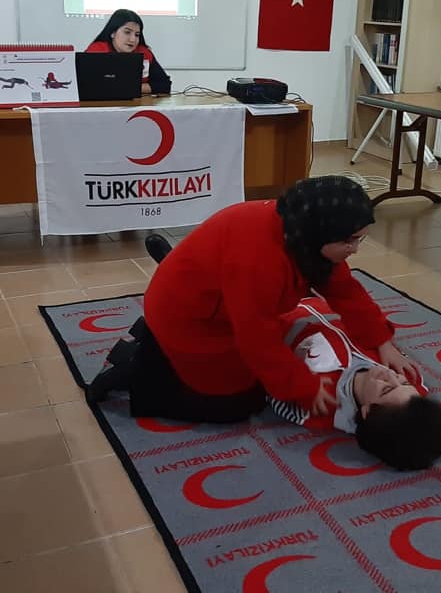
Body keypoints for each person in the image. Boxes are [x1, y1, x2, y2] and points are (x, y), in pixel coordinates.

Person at [88, 176, 421, 425]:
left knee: (259, 371)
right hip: (189, 315)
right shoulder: (258, 261)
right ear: (321, 234)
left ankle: (158, 315)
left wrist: (382, 340)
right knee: (236, 403)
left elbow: (345, 290)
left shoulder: (303, 230)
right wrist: (304, 388)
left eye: (361, 239)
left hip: (210, 294)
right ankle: (136, 372)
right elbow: (256, 339)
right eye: (349, 241)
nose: (355, 249)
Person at [270, 296, 441, 471]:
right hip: (326, 299)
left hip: (275, 311)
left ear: (367, 411)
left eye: (386, 388)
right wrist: (385, 344)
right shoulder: (408, 376)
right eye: (403, 382)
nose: (390, 375)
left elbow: (272, 387)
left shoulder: (320, 405)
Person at [85, 9, 172, 95]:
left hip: (135, 103)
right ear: (113, 33)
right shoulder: (96, 51)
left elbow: (165, 85)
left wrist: (130, 88)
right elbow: (85, 85)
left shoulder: (144, 53)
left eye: (137, 35)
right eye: (127, 32)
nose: (133, 39)